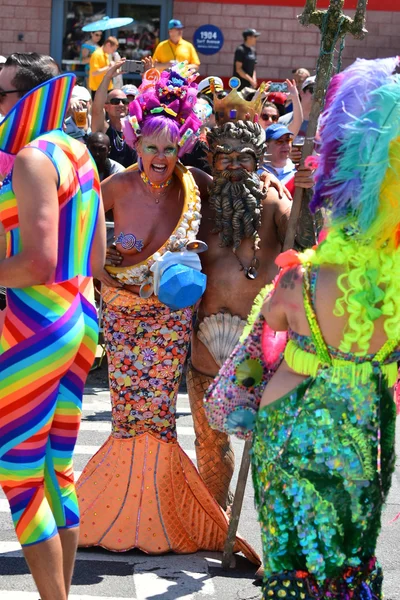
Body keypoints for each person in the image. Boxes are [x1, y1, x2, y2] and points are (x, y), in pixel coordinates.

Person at [75, 63, 260, 565]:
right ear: (135, 144)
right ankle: (109, 509)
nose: (160, 157)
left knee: (156, 414)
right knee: (124, 412)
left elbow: (245, 197)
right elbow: (82, 232)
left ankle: (158, 512)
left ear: (181, 148)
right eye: (152, 147)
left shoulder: (195, 183)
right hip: (121, 315)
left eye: (170, 148)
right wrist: (103, 274)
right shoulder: (113, 188)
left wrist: (294, 190)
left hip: (169, 318)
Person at [251, 56, 400, 598]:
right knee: (351, 554)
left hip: (293, 430)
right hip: (366, 434)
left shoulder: (302, 280)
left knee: (293, 557)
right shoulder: (395, 282)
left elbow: (268, 324)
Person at [0, 52, 106, 600]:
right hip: (79, 314)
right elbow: (99, 252)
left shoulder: (32, 159)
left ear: (28, 98)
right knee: (54, 472)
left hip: (33, 324)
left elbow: (37, 262)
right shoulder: (77, 150)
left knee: (20, 478)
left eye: (1, 94)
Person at [186, 85, 295, 509]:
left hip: (262, 347)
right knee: (209, 444)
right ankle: (215, 518)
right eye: (223, 157)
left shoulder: (274, 201)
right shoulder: (197, 201)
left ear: (259, 160)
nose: (234, 166)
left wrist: (301, 189)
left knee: (270, 446)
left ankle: (277, 540)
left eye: (243, 157)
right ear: (211, 160)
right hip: (204, 348)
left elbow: (303, 241)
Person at [91, 62, 137, 168]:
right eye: (115, 101)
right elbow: (97, 109)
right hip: (108, 182)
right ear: (106, 107)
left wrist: (148, 75)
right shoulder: (103, 129)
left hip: (132, 182)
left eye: (124, 101)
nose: (121, 104)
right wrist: (108, 76)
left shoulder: (136, 128)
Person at [259, 124, 296, 194]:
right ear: (266, 146)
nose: (285, 145)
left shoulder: (298, 172)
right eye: (280, 141)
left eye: (288, 140)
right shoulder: (258, 172)